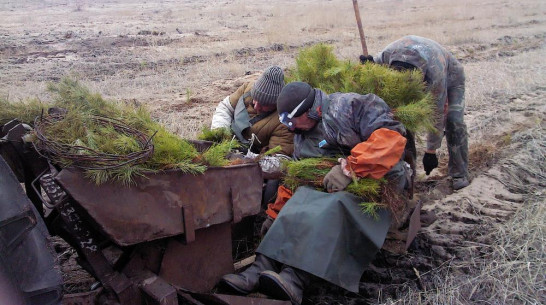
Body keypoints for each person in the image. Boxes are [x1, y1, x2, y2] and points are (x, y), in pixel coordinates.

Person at [220, 82, 411, 304]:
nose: (289, 128)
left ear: (312, 110)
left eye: (291, 121)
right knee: (301, 199)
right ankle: (261, 267)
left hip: (377, 181)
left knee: (333, 207)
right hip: (331, 183)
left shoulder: (351, 106)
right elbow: (298, 179)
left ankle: (296, 277)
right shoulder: (301, 136)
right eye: (283, 122)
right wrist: (276, 215)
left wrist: (350, 168)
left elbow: (391, 137)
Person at [362, 35, 469, 190]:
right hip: (414, 70)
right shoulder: (386, 56)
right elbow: (372, 74)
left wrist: (431, 151)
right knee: (402, 119)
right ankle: (408, 171)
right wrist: (368, 68)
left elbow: (437, 113)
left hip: (451, 77)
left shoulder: (435, 72)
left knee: (454, 120)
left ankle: (459, 173)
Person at [210, 66, 293, 179]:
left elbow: (280, 164)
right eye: (255, 99)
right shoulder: (247, 88)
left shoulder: (283, 122)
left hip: (250, 165)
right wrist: (220, 132)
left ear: (276, 104)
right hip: (227, 145)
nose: (257, 106)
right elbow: (225, 107)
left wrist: (245, 157)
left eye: (264, 104)